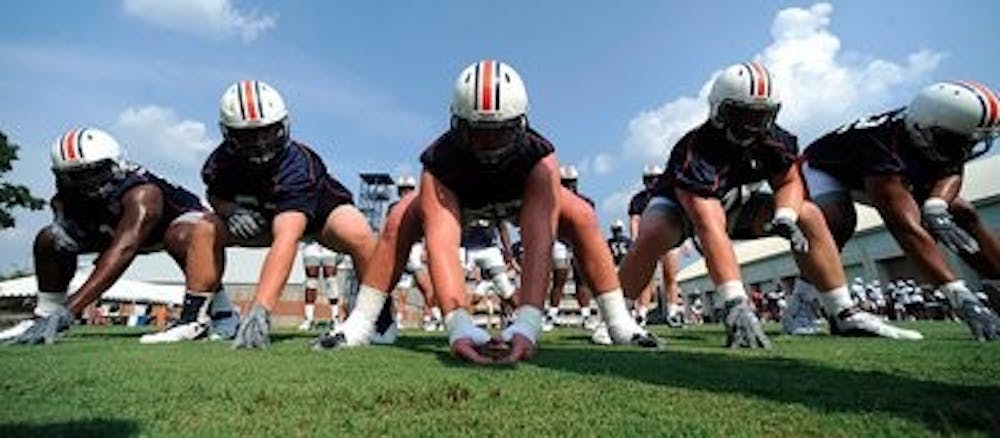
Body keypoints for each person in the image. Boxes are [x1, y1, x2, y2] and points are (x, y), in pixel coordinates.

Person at [313, 60, 660, 363]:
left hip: (518, 201)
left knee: (582, 215)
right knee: (400, 215)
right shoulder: (440, 161)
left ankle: (619, 321)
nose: (490, 147)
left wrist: (527, 326)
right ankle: (361, 322)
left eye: (501, 133)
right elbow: (442, 244)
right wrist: (458, 327)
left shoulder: (539, 159)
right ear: (457, 124)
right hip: (461, 202)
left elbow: (539, 242)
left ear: (520, 125)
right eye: (478, 134)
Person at [619, 61, 921, 349]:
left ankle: (842, 311)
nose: (752, 127)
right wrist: (736, 302)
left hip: (737, 205)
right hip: (682, 210)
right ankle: (618, 313)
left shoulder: (775, 140)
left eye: (760, 116)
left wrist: (786, 215)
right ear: (718, 110)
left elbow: (789, 183)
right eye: (742, 115)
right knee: (655, 231)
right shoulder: (699, 148)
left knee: (809, 213)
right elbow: (709, 225)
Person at [799, 80, 1000, 341]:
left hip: (887, 170)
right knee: (839, 222)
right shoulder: (881, 145)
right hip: (826, 167)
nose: (963, 151)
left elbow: (952, 169)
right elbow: (906, 230)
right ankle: (803, 304)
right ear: (921, 130)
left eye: (969, 143)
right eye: (954, 143)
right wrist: (959, 297)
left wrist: (937, 205)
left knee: (964, 212)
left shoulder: (938, 129)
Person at [196, 79, 389, 349]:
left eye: (267, 131)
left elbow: (287, 237)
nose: (260, 142)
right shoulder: (220, 162)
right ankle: (207, 316)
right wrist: (229, 211)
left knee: (359, 233)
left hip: (319, 219)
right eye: (248, 135)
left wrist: (260, 309)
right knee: (204, 227)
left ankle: (379, 317)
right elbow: (214, 194)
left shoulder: (297, 164)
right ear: (229, 133)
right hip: (266, 219)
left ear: (282, 126)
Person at [0, 128, 239, 345]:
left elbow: (124, 250)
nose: (87, 183)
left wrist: (70, 310)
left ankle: (223, 313)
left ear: (116, 164)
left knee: (183, 236)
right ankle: (44, 314)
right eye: (75, 176)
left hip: (170, 226)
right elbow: (70, 227)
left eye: (94, 173)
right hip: (117, 230)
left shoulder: (142, 193)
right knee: (50, 238)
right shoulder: (65, 195)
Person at [628, 165, 685, 327]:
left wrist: (684, 239)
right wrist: (635, 241)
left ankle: (673, 312)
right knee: (646, 278)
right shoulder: (638, 199)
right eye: (649, 179)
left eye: (655, 178)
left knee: (671, 275)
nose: (652, 182)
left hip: (670, 238)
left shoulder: (671, 195)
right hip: (648, 240)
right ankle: (642, 313)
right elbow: (635, 220)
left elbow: (680, 217)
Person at [545, 165, 596, 330]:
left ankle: (586, 315)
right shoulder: (551, 202)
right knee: (559, 278)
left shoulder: (586, 201)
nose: (569, 186)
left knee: (581, 280)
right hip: (560, 241)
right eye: (565, 182)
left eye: (571, 182)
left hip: (578, 240)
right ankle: (552, 314)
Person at [389, 175, 441, 331]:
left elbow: (426, 228)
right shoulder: (394, 207)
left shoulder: (419, 205)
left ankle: (429, 317)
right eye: (403, 190)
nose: (405, 192)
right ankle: (400, 319)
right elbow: (388, 229)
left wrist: (425, 248)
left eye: (408, 189)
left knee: (426, 287)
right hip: (400, 247)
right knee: (401, 290)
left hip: (415, 248)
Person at [299, 241, 344, 331]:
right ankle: (309, 318)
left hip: (329, 247)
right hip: (311, 246)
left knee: (331, 280)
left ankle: (335, 318)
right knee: (311, 281)